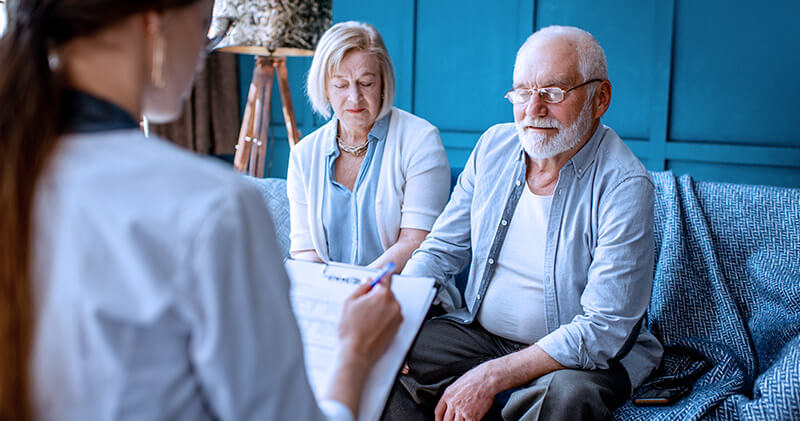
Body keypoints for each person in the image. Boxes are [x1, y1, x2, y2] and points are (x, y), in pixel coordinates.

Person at [0, 1, 402, 420]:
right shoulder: (213, 207)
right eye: (206, 26)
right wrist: (355, 353)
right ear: (153, 24)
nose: (205, 50)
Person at [383, 26, 664, 421]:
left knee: (566, 396)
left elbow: (604, 328)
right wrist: (399, 312)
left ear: (600, 98)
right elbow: (441, 249)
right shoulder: (493, 147)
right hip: (480, 336)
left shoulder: (624, 184)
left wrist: (491, 377)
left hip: (575, 362)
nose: (533, 109)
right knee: (387, 352)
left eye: (553, 93)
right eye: (522, 92)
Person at [288, 21, 450, 273]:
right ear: (325, 90)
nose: (354, 97)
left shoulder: (420, 139)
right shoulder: (303, 154)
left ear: (383, 84)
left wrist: (356, 287)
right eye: (341, 85)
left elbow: (416, 242)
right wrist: (328, 292)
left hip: (403, 290)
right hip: (331, 297)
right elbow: (304, 249)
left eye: (366, 83)